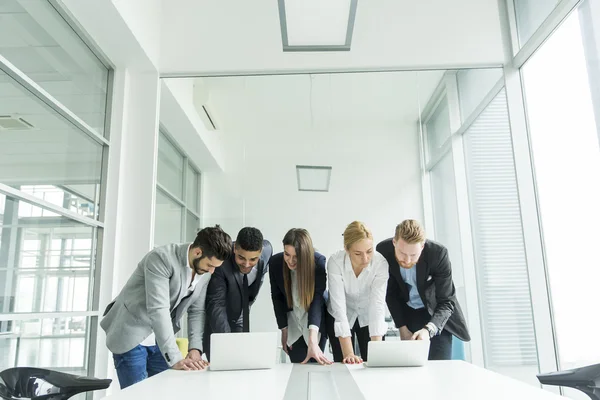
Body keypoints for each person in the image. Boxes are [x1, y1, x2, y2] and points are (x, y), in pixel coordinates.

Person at [100, 225, 232, 388]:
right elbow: (158, 309)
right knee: (138, 395)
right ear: (197, 252)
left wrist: (195, 348)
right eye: (210, 265)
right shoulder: (161, 258)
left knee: (167, 390)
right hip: (131, 334)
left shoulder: (204, 273)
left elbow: (197, 311)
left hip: (160, 338)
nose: (212, 271)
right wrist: (176, 358)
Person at [376, 219, 470, 360]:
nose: (407, 260)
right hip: (408, 314)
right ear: (394, 243)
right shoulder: (383, 251)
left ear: (422, 246)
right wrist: (402, 327)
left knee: (440, 367)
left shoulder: (438, 254)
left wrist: (429, 330)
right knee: (411, 369)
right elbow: (391, 294)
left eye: (413, 255)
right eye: (402, 253)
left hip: (436, 314)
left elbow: (446, 301)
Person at [204, 227, 272, 360]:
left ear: (260, 252)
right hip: (219, 324)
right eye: (241, 257)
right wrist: (229, 344)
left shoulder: (267, 250)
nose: (246, 264)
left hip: (242, 313)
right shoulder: (222, 262)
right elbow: (217, 305)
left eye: (253, 259)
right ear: (234, 248)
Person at [326, 221, 389, 364]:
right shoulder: (335, 262)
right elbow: (339, 307)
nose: (365, 259)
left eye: (369, 251)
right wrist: (348, 354)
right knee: (343, 364)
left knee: (374, 360)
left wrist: (377, 354)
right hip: (340, 315)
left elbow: (377, 305)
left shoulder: (380, 263)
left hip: (369, 315)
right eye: (358, 253)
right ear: (346, 249)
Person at [269, 229, 332, 365]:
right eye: (287, 254)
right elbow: (277, 298)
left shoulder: (318, 262)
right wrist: (284, 332)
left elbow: (317, 300)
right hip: (293, 322)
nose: (290, 261)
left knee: (315, 367)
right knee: (298, 366)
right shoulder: (275, 263)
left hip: (315, 321)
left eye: (296, 256)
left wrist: (312, 340)